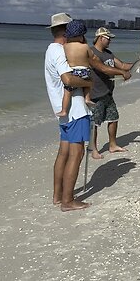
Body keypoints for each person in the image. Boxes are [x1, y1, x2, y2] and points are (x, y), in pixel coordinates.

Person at [45, 14, 94, 212]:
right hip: (75, 110)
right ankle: (68, 200)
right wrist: (89, 83)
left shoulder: (50, 50)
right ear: (67, 31)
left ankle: (58, 196)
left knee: (63, 153)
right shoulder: (58, 51)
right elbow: (68, 80)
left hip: (62, 111)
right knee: (77, 153)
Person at [88, 27, 129, 160]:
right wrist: (122, 73)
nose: (110, 40)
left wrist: (139, 63)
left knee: (113, 118)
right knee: (95, 123)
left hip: (108, 93)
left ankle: (112, 145)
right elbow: (104, 69)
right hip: (96, 94)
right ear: (101, 38)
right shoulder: (91, 52)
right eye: (108, 38)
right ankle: (93, 149)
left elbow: (122, 65)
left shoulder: (108, 53)